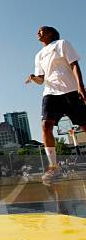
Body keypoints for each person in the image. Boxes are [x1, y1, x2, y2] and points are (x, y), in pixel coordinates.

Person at [26, 26, 86, 182]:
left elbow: (74, 64)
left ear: (51, 33)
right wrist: (34, 78)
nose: (38, 32)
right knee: (46, 125)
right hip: (50, 93)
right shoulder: (38, 55)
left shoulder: (62, 44)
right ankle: (53, 167)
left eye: (41, 30)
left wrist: (81, 86)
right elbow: (41, 79)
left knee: (84, 125)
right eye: (37, 30)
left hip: (70, 90)